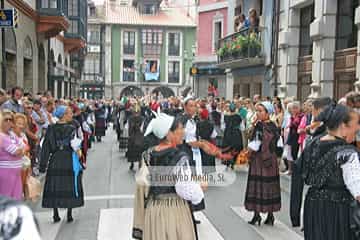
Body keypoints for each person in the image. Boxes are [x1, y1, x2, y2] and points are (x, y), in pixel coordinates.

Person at [290, 104, 360, 240]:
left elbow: (297, 176)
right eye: (355, 127)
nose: (357, 131)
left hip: (313, 207)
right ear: (343, 126)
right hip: (337, 211)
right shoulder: (347, 154)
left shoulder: (312, 145)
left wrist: (296, 214)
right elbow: (357, 190)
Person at [142, 112, 204, 240]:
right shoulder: (179, 157)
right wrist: (201, 187)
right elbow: (186, 190)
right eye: (180, 128)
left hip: (153, 209)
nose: (183, 131)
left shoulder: (147, 154)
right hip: (173, 210)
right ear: (169, 133)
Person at [40, 105, 84, 223]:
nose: (71, 115)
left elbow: (45, 147)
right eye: (69, 113)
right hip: (68, 158)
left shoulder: (51, 129)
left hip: (55, 158)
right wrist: (80, 158)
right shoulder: (71, 128)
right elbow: (76, 146)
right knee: (69, 184)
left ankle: (55, 214)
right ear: (64, 115)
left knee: (55, 184)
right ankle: (69, 214)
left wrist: (42, 166)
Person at [245, 102, 281, 226]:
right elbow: (279, 144)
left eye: (261, 111)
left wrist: (247, 153)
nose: (258, 113)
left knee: (257, 186)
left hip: (259, 160)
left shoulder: (260, 126)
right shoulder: (274, 126)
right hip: (271, 159)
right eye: (257, 111)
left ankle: (257, 215)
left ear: (268, 112)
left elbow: (255, 143)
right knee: (270, 186)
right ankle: (270, 216)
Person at [0, 110, 25, 200]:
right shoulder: (1, 136)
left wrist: (21, 150)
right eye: (5, 120)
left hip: (17, 172)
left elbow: (24, 147)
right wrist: (20, 150)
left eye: (10, 120)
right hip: (5, 173)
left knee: (16, 199)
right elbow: (17, 151)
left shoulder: (12, 135)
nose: (8, 122)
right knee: (5, 199)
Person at [222, 102, 243, 169]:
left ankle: (227, 162)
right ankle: (234, 162)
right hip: (236, 133)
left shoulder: (225, 116)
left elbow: (222, 127)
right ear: (235, 109)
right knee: (236, 147)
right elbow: (242, 127)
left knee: (227, 147)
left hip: (227, 133)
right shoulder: (239, 116)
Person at [126, 105, 144, 170]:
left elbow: (129, 128)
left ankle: (132, 163)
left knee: (132, 150)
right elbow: (142, 128)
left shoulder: (130, 118)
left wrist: (129, 134)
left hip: (133, 136)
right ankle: (139, 162)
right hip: (139, 136)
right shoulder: (142, 118)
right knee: (139, 150)